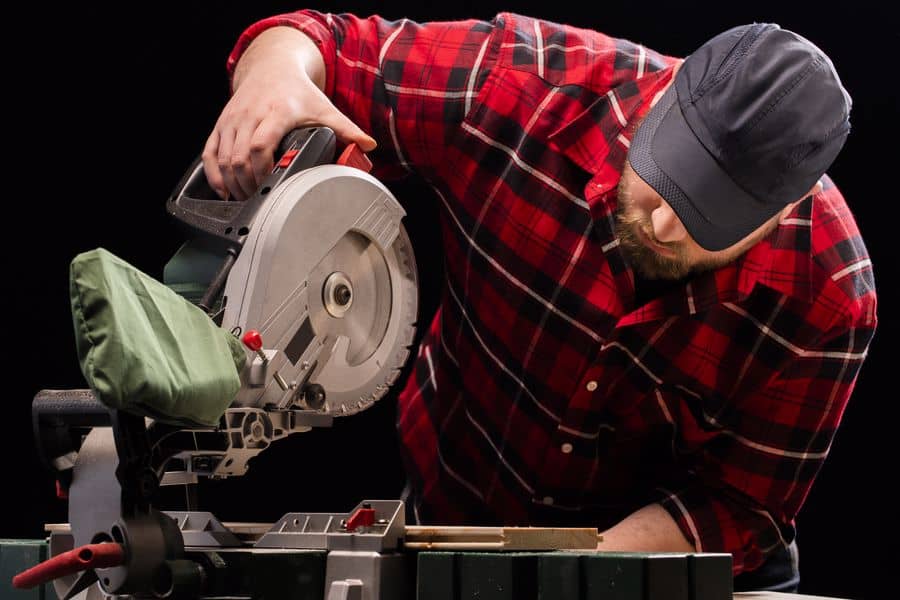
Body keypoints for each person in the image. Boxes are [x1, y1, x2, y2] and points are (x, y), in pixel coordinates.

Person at [203, 10, 877, 591]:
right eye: (668, 178)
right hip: (458, 503)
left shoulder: (830, 296)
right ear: (667, 88)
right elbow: (316, 41)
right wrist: (275, 82)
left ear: (788, 209)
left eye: (713, 219)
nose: (665, 228)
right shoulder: (524, 83)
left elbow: (736, 508)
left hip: (666, 566)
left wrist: (567, 576)